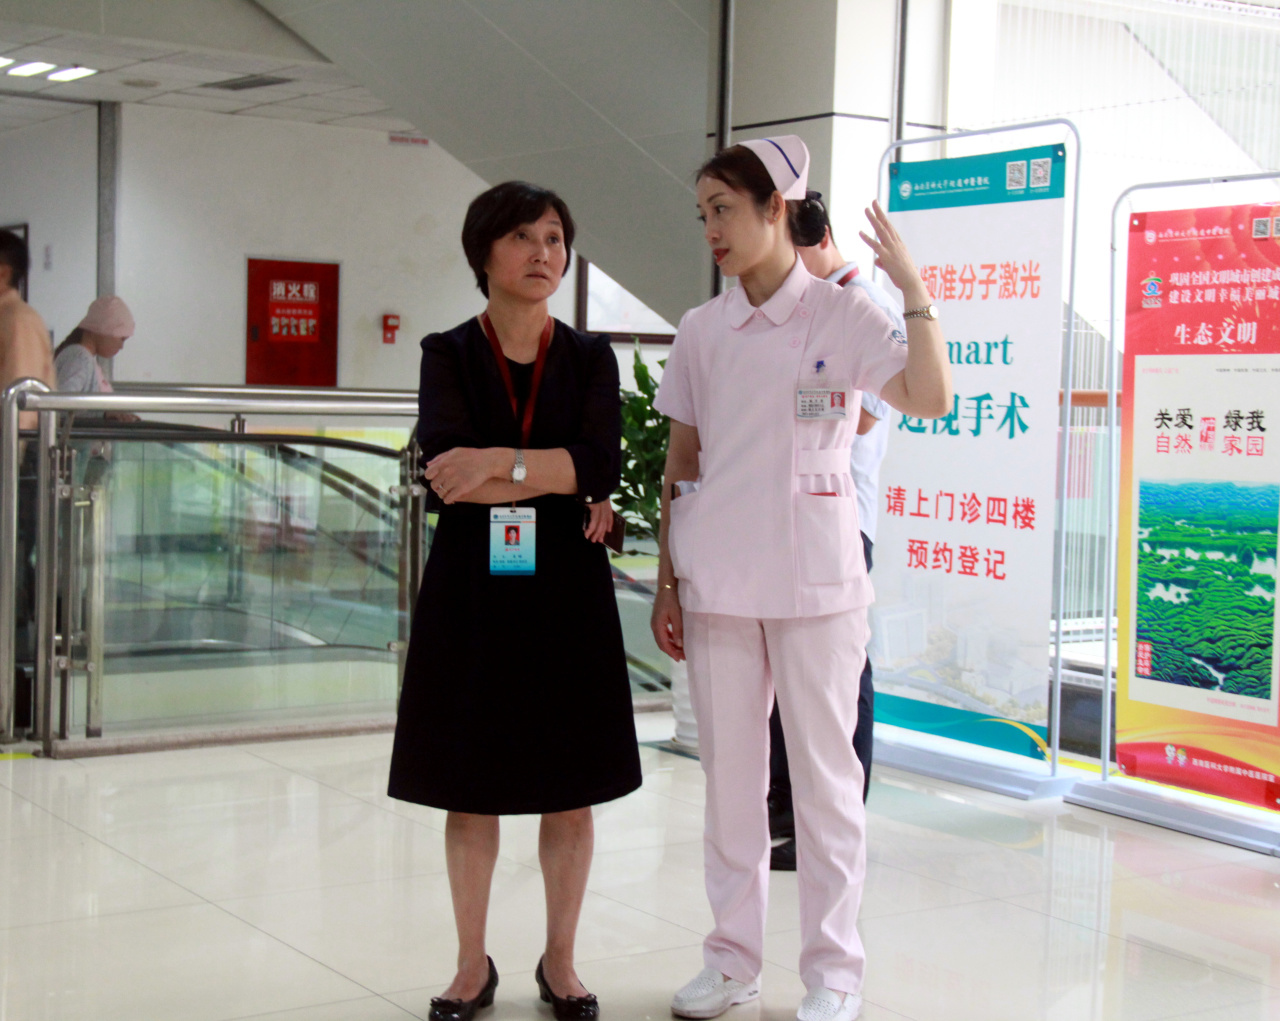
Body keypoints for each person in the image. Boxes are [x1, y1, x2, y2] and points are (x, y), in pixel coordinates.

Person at [651, 136, 950, 1021]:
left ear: (775, 208)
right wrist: (667, 581)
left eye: (724, 210)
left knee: (825, 783)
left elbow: (929, 397)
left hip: (818, 583)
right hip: (718, 580)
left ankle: (834, 973)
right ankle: (731, 961)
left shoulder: (841, 314)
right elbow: (681, 460)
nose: (711, 229)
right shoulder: (702, 330)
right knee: (731, 786)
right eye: (702, 214)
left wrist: (914, 289)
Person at [387, 181, 642, 1021]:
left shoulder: (591, 357)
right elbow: (447, 475)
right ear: (484, 251)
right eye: (524, 236)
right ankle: (471, 966)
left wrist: (499, 461)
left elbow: (599, 464)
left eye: (555, 237)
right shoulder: (448, 351)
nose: (544, 253)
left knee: (571, 785)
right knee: (471, 784)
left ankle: (560, 962)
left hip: (567, 589)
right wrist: (553, 472)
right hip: (472, 587)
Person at [767, 200, 905, 871]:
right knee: (789, 667)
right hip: (793, 512)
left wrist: (789, 402)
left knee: (841, 674)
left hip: (844, 516)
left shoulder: (864, 305)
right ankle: (788, 809)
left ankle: (836, 817)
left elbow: (868, 414)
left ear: (818, 239)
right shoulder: (809, 310)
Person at [0, 230, 55, 720]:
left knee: (10, 580)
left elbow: (17, 408)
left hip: (13, 475)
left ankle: (13, 700)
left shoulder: (16, 321)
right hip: (11, 472)